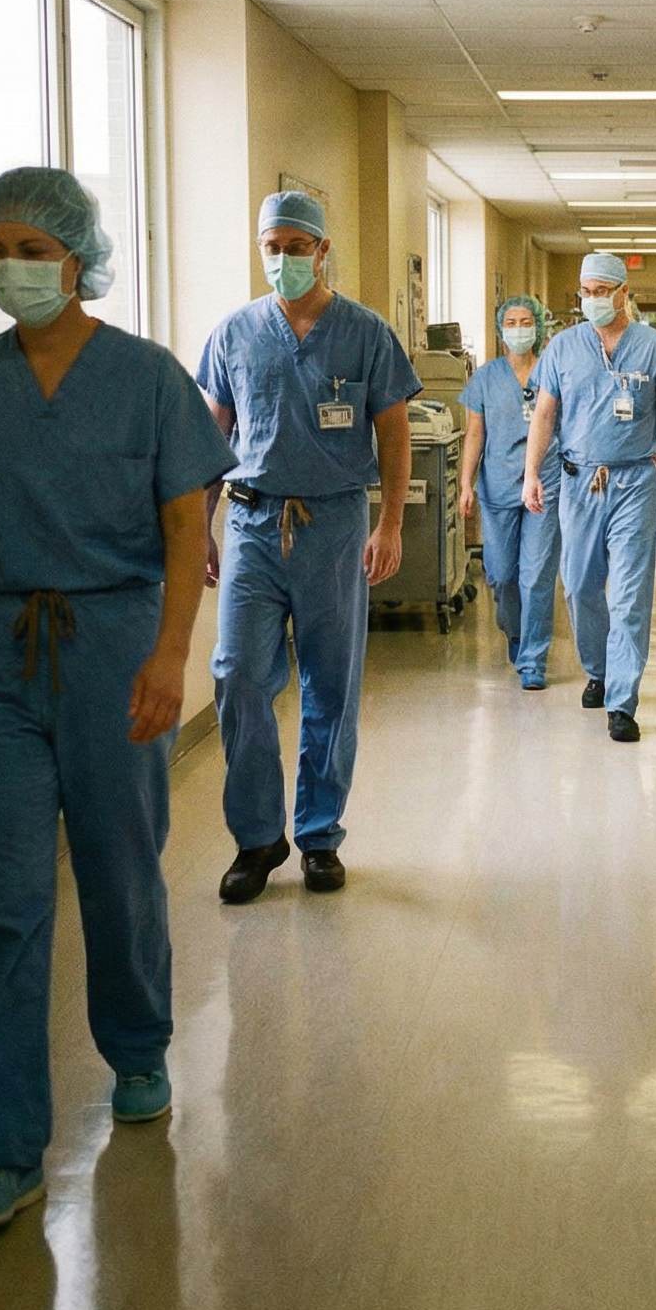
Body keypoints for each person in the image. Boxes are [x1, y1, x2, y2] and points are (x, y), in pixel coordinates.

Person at [0, 167, 233, 1232]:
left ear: (77, 260)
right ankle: (4, 1145)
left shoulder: (145, 375)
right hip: (1, 650)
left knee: (120, 867)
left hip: (117, 646)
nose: (11, 269)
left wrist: (171, 657)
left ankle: (137, 1049)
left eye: (33, 251)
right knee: (5, 896)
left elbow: (185, 524)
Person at [198, 191, 419, 903]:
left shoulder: (365, 333)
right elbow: (214, 435)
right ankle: (258, 837)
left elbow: (393, 432)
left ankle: (319, 835)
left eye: (297, 247)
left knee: (331, 681)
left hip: (334, 525)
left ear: (323, 250)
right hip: (252, 523)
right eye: (273, 247)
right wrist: (200, 524)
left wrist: (390, 524)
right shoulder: (235, 333)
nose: (284, 259)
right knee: (237, 675)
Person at [523, 253, 656, 743]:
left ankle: (622, 700)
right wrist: (530, 473)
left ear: (624, 293)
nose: (593, 300)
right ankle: (598, 670)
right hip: (578, 481)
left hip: (636, 481)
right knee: (580, 585)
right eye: (586, 292)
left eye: (602, 291)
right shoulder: (563, 347)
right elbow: (544, 415)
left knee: (628, 594)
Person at [458, 294, 561, 689]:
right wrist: (465, 483)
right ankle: (516, 633)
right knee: (502, 575)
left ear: (538, 326)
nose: (519, 329)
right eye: (512, 323)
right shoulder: (486, 377)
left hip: (545, 484)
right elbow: (475, 434)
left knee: (536, 575)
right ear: (501, 330)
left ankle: (533, 658)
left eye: (526, 322)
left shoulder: (552, 371)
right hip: (498, 485)